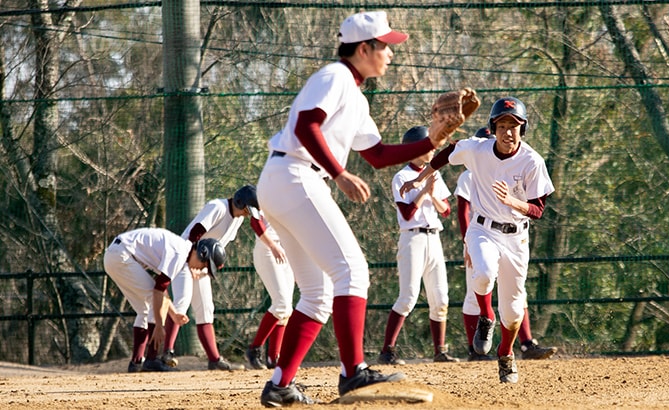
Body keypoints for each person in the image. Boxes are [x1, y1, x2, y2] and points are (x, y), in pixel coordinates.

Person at [254, 10, 453, 406]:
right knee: (353, 271)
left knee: (316, 293)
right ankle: (353, 373)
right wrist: (340, 173)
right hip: (296, 175)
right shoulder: (335, 76)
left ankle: (279, 385)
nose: (391, 54)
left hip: (285, 180)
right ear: (364, 49)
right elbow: (306, 125)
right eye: (385, 46)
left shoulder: (356, 96)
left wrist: (432, 141)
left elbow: (378, 155)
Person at [400, 97, 555, 384]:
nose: (508, 132)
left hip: (517, 238)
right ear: (493, 128)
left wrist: (513, 201)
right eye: (503, 125)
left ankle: (506, 354)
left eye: (515, 126)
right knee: (483, 273)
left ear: (524, 129)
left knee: (512, 310)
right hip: (483, 230)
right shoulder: (477, 149)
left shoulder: (532, 161)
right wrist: (421, 178)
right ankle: (486, 317)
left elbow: (538, 209)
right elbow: (446, 154)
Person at [455, 127, 557, 362]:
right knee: (477, 288)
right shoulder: (470, 173)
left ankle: (525, 344)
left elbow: (535, 206)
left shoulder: (517, 163)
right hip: (480, 235)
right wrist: (466, 244)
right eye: (487, 139)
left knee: (515, 297)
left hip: (512, 237)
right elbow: (463, 211)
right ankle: (476, 350)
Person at [377, 126, 459, 366]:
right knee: (408, 297)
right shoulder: (401, 177)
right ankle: (387, 351)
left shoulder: (434, 172)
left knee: (441, 296)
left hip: (434, 238)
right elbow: (408, 214)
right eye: (427, 145)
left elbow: (446, 211)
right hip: (412, 238)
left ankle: (439, 351)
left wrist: (431, 194)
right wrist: (424, 190)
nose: (432, 149)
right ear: (414, 149)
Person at [102, 228, 226, 372]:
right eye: (204, 265)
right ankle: (151, 360)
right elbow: (157, 291)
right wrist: (160, 326)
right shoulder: (179, 253)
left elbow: (161, 289)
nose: (201, 269)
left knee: (144, 308)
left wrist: (173, 314)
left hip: (116, 255)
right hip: (121, 256)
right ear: (201, 253)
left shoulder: (181, 250)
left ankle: (136, 363)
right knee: (152, 301)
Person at [159, 187, 256, 371]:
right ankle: (166, 354)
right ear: (239, 202)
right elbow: (194, 234)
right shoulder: (217, 207)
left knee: (206, 308)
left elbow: (219, 246)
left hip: (203, 263)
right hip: (186, 257)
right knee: (181, 302)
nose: (247, 214)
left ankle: (214, 359)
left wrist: (203, 268)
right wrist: (190, 260)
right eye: (247, 209)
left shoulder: (237, 220)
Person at [244, 185, 295, 370]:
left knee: (286, 310)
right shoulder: (266, 193)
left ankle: (274, 358)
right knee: (281, 303)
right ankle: (254, 348)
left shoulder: (294, 197)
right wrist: (273, 246)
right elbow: (255, 223)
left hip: (285, 250)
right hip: (267, 249)